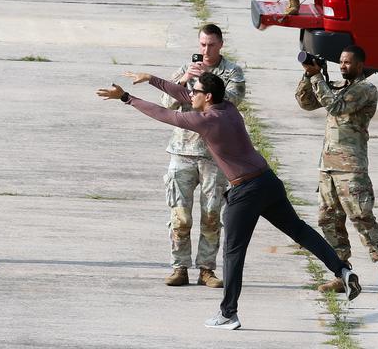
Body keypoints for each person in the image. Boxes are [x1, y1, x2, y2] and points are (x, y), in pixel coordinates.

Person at [97, 72, 360, 330]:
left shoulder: (207, 121)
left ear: (208, 96)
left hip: (245, 191)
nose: (190, 94)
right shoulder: (228, 108)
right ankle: (342, 271)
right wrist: (153, 79)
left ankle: (228, 314)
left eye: (195, 91)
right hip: (268, 182)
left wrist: (127, 98)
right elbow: (182, 94)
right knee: (299, 230)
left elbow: (166, 115)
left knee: (234, 253)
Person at [295, 45, 378, 298]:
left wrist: (318, 77)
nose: (342, 66)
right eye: (340, 62)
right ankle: (341, 273)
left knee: (362, 218)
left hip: (351, 169)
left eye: (348, 62)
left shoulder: (365, 90)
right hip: (327, 167)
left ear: (360, 65)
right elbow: (306, 103)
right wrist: (309, 75)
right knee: (329, 221)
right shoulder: (337, 86)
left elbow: (335, 107)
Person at [155, 24, 245, 288]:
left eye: (212, 45)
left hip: (213, 154)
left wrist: (205, 83)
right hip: (182, 151)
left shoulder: (231, 72)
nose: (206, 50)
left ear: (221, 45)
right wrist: (184, 82)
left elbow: (231, 102)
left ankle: (206, 269)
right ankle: (179, 266)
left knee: (211, 214)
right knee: (180, 216)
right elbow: (166, 103)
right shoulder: (185, 70)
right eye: (203, 45)